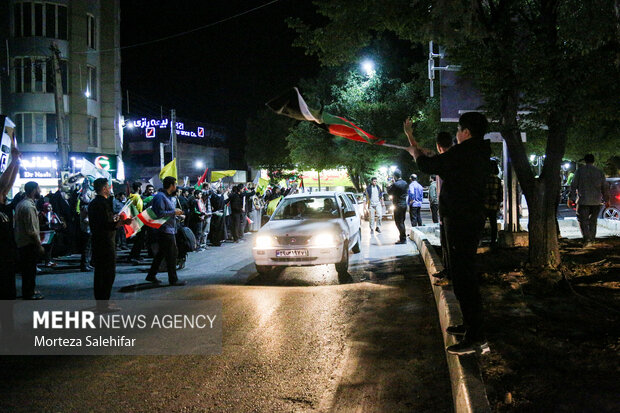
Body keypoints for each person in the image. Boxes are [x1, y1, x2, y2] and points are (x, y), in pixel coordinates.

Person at [404, 112, 491, 355]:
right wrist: (415, 145)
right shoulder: (475, 152)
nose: (456, 135)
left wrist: (415, 151)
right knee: (463, 276)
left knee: (464, 278)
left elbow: (430, 165)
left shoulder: (465, 152)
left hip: (462, 221)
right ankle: (470, 326)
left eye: (458, 130)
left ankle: (477, 337)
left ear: (466, 132)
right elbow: (442, 163)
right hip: (467, 219)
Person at [89, 178, 132, 311]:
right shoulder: (101, 204)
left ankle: (102, 302)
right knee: (107, 274)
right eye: (108, 186)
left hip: (100, 241)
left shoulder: (95, 203)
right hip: (105, 242)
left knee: (101, 273)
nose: (110, 189)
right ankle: (103, 305)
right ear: (103, 189)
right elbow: (106, 225)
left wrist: (116, 219)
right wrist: (123, 222)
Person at [145, 176, 186, 286]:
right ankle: (173, 279)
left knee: (161, 254)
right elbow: (159, 213)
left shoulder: (167, 197)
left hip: (170, 229)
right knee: (172, 255)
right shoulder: (160, 197)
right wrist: (174, 212)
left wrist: (177, 215)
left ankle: (151, 275)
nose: (176, 187)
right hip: (164, 230)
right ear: (171, 185)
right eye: (175, 184)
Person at [568, 154, 609, 247]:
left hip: (583, 200)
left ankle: (587, 239)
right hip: (596, 201)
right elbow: (604, 187)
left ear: (585, 161)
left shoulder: (580, 171)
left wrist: (571, 198)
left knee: (583, 220)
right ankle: (592, 238)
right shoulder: (599, 172)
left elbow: (573, 185)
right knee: (593, 221)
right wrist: (607, 200)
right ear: (593, 161)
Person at [14, 181, 45, 300]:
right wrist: (39, 245)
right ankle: (29, 293)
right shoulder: (28, 207)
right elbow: (31, 230)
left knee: (27, 269)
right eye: (38, 188)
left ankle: (29, 290)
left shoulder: (22, 204)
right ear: (33, 191)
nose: (40, 191)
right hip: (28, 243)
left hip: (22, 242)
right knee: (29, 270)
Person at [484, 160, 502, 248]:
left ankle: (478, 241)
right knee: (493, 224)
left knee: (480, 224)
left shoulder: (484, 179)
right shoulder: (498, 180)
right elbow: (500, 195)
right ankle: (493, 241)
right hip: (494, 205)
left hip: (484, 205)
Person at [387, 170, 408, 244]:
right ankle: (403, 237)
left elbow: (389, 192)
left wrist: (390, 184)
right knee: (402, 222)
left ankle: (403, 239)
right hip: (404, 204)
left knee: (398, 222)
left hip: (398, 205)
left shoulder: (395, 184)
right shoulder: (405, 183)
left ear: (395, 176)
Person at [128, 182, 145, 263]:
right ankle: (135, 255)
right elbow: (139, 210)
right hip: (138, 220)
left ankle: (134, 255)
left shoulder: (130, 196)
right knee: (139, 239)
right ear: (138, 188)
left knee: (137, 239)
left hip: (132, 219)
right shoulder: (137, 197)